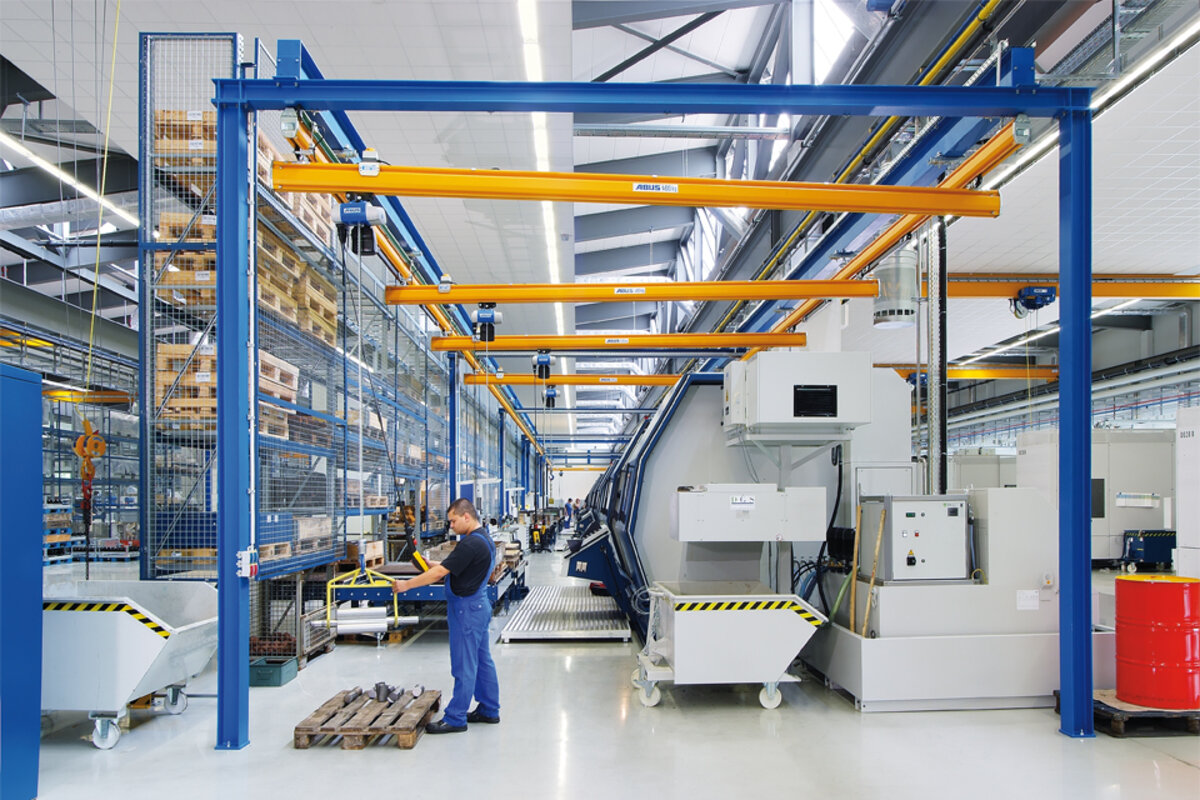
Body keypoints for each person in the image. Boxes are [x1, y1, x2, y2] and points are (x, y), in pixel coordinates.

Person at [392, 498, 500, 733]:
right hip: (478, 606)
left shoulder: (470, 543)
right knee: (482, 661)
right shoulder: (483, 539)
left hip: (466, 610)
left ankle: (456, 717)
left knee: (464, 665)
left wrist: (406, 585)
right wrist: (429, 564)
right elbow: (455, 566)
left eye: (453, 521)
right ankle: (489, 709)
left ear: (466, 516)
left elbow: (440, 573)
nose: (451, 526)